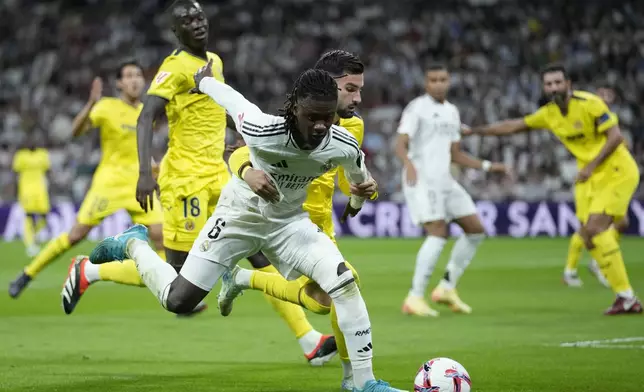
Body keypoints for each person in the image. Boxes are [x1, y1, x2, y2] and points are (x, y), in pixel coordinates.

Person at [89, 65, 405, 392]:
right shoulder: (263, 129)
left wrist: (358, 199)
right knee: (178, 300)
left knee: (344, 283)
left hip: (288, 225)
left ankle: (362, 382)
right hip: (238, 218)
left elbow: (358, 178)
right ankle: (133, 244)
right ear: (295, 108)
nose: (320, 126)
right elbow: (231, 99)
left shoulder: (342, 144)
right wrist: (204, 80)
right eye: (312, 117)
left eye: (327, 118)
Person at [62, 0, 335, 363]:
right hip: (184, 181)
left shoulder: (214, 62)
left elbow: (213, 109)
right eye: (187, 20)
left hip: (218, 175)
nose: (197, 23)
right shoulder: (173, 68)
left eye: (200, 16)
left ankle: (308, 341)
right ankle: (92, 269)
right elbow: (146, 118)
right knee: (177, 280)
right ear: (176, 31)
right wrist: (145, 172)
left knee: (258, 252)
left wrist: (236, 139)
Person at [223, 49, 377, 391]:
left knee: (323, 302)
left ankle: (245, 279)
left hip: (320, 223)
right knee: (347, 284)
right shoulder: (292, 117)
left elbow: (347, 176)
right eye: (351, 89)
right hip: (281, 222)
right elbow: (240, 153)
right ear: (329, 85)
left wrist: (362, 193)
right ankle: (354, 379)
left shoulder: (354, 126)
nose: (358, 98)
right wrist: (247, 172)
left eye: (360, 89)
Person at [468, 64, 642, 315]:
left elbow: (616, 137)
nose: (553, 88)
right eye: (548, 84)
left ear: (568, 83)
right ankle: (619, 289)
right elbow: (513, 126)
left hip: (617, 171)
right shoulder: (549, 114)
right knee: (594, 233)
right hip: (590, 178)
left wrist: (591, 166)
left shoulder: (590, 103)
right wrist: (476, 130)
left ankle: (625, 295)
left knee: (594, 229)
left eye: (558, 82)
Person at [9, 62, 165, 299]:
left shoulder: (146, 112)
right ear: (119, 83)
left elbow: (140, 150)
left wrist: (156, 170)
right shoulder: (106, 107)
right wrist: (91, 103)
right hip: (109, 183)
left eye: (138, 76)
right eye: (129, 76)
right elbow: (75, 131)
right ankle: (28, 273)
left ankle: (170, 293)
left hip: (138, 185)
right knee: (76, 234)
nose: (135, 80)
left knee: (161, 236)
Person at [394, 64, 510, 317]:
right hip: (423, 180)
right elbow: (400, 144)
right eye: (433, 79)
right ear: (426, 84)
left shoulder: (452, 112)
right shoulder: (417, 108)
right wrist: (409, 164)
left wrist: (489, 166)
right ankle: (414, 297)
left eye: (442, 79)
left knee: (476, 230)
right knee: (438, 232)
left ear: (449, 82)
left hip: (446, 180)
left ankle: (447, 287)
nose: (438, 83)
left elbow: (455, 154)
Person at [563, 84, 626, 288]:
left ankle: (598, 262)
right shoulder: (586, 115)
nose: (605, 97)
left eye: (609, 94)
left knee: (622, 222)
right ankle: (571, 270)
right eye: (601, 94)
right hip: (588, 181)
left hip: (608, 180)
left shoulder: (610, 121)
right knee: (587, 227)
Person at [12, 139, 51, 258]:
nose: (31, 143)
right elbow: (15, 173)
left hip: (40, 189)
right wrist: (15, 190)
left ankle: (35, 234)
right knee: (29, 216)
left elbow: (48, 171)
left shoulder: (42, 154)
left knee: (44, 215)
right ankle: (30, 244)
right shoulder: (20, 156)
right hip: (26, 190)